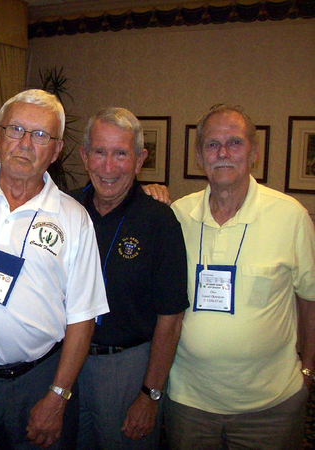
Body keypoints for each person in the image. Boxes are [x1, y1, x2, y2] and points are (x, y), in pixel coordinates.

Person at [0, 89, 109, 450]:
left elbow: (82, 318)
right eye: (16, 129)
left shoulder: (73, 218)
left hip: (40, 378)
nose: (24, 143)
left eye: (40, 136)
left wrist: (58, 395)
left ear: (55, 151)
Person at [166, 104, 315, 449]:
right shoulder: (177, 215)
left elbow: (309, 298)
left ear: (254, 154)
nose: (222, 153)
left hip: (271, 406)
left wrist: (308, 372)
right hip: (189, 402)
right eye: (211, 145)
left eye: (234, 143)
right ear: (200, 157)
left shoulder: (291, 216)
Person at [70, 107, 188, 450]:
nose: (108, 167)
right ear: (84, 156)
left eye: (120, 154)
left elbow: (171, 320)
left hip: (127, 368)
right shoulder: (65, 208)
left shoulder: (159, 221)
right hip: (66, 364)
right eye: (99, 152)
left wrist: (150, 395)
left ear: (139, 160)